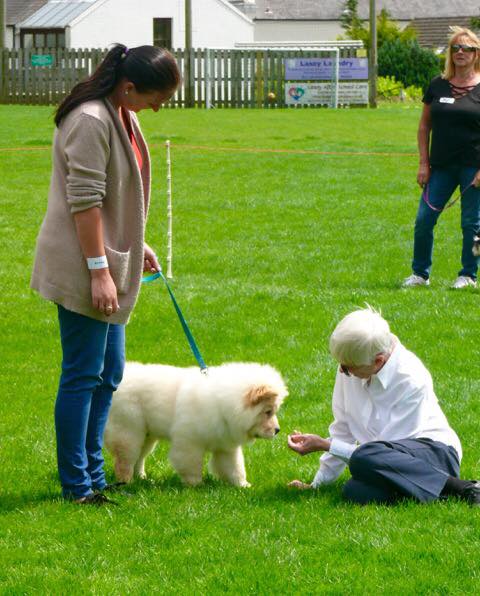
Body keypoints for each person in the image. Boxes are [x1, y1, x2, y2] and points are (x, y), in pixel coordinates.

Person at [31, 44, 181, 505]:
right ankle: (77, 484)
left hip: (108, 257)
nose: (158, 108)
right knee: (83, 373)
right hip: (82, 263)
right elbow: (85, 203)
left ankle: (95, 475)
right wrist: (99, 271)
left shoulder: (122, 113)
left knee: (109, 371)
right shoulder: (92, 120)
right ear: (130, 86)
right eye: (157, 98)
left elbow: (117, 198)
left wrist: (138, 243)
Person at [287, 307, 480, 506]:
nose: (343, 371)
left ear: (378, 361)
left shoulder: (411, 379)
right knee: (355, 491)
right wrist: (317, 484)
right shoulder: (352, 363)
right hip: (382, 459)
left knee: (364, 458)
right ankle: (437, 491)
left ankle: (463, 487)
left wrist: (325, 445)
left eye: (348, 367)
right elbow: (343, 428)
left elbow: (385, 453)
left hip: (434, 454)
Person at [403, 27, 480, 289]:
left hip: (474, 168)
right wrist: (423, 164)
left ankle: (468, 275)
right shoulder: (437, 84)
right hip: (440, 167)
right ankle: (419, 274)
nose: (460, 52)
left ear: (476, 54)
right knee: (424, 220)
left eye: (467, 48)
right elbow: (424, 127)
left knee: (472, 224)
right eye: (455, 47)